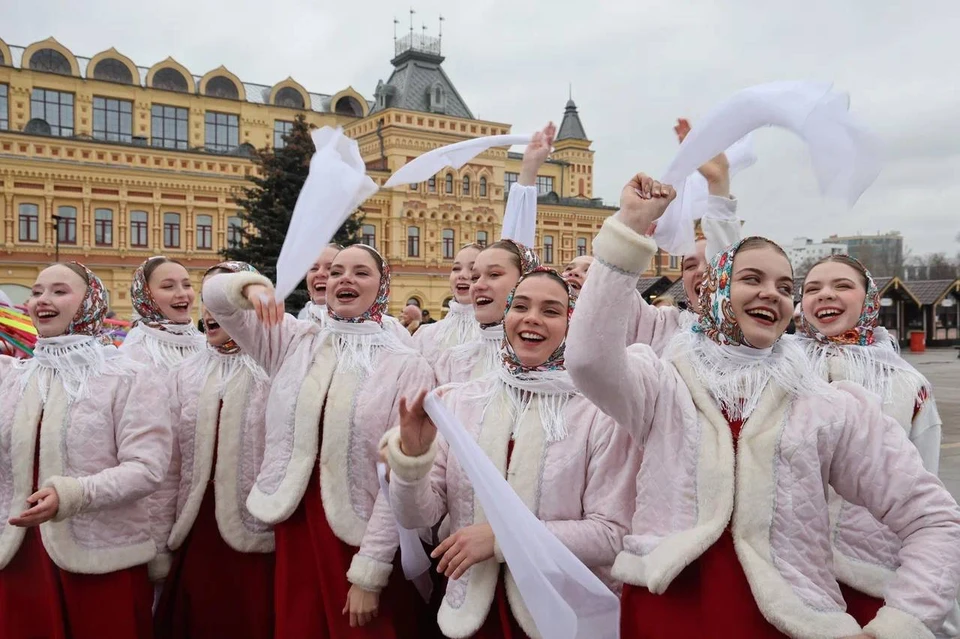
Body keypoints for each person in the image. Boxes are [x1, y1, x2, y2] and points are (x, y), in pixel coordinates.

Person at [566, 174, 960, 638]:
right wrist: (630, 226)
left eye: (785, 286)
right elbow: (589, 359)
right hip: (668, 617)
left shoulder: (828, 405)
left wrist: (898, 625)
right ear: (714, 293)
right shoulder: (662, 385)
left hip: (786, 623)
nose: (772, 292)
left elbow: (931, 517)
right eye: (750, 279)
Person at [387, 267, 639, 638]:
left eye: (551, 311)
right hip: (468, 612)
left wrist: (504, 539)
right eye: (520, 306)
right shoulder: (462, 400)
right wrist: (413, 458)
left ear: (574, 323)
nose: (532, 318)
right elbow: (418, 518)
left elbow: (612, 534)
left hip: (557, 615)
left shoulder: (599, 412)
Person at [202, 244, 434, 639]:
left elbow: (402, 475)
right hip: (296, 523)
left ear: (383, 286)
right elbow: (216, 299)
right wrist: (253, 288)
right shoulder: (294, 341)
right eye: (337, 271)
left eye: (361, 273)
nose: (344, 278)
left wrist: (370, 571)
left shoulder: (408, 365)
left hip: (362, 535)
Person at [0, 262, 172, 639]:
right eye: (36, 291)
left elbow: (147, 467)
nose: (43, 299)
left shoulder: (128, 375)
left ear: (91, 302)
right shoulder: (14, 377)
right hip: (20, 560)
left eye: (59, 291)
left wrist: (73, 495)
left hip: (101, 561)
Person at [796, 254, 951, 631]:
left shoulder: (906, 385)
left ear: (869, 300)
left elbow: (925, 489)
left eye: (842, 286)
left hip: (871, 574)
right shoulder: (778, 369)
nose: (824, 295)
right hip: (790, 571)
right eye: (812, 289)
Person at [154, 261, 275, 639]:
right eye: (205, 298)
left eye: (220, 298)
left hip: (258, 534)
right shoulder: (183, 373)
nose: (209, 310)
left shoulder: (275, 368)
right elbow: (168, 465)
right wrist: (159, 541)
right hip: (195, 531)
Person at [119, 256, 205, 584]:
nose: (182, 293)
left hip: (201, 495)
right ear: (145, 296)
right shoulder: (133, 355)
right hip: (154, 494)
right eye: (168, 286)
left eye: (186, 284)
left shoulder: (204, 344)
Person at [434, 240, 540, 385]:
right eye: (475, 277)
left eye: (494, 274)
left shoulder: (564, 366)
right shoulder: (454, 362)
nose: (477, 285)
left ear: (527, 280)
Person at [414, 243, 483, 365]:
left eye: (472, 269)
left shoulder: (499, 335)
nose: (462, 275)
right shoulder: (427, 334)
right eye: (456, 268)